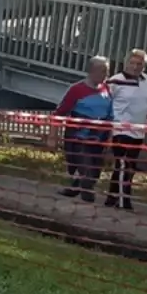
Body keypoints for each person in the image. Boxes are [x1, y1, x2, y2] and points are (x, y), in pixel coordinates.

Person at [106, 47, 147, 211]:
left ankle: (111, 197)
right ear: (126, 62)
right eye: (132, 63)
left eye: (140, 64)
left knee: (128, 166)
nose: (135, 67)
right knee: (124, 164)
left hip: (138, 131)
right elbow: (105, 100)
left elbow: (146, 106)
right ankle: (124, 201)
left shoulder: (146, 80)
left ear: (144, 66)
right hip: (120, 129)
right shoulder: (116, 80)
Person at [54, 55, 112, 203]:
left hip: (99, 138)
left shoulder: (107, 90)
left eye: (107, 71)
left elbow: (111, 115)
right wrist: (52, 135)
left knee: (96, 168)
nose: (106, 75)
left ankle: (75, 187)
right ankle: (86, 195)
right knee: (86, 170)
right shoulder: (76, 90)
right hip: (79, 137)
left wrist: (110, 137)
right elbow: (59, 113)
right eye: (103, 71)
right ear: (92, 71)